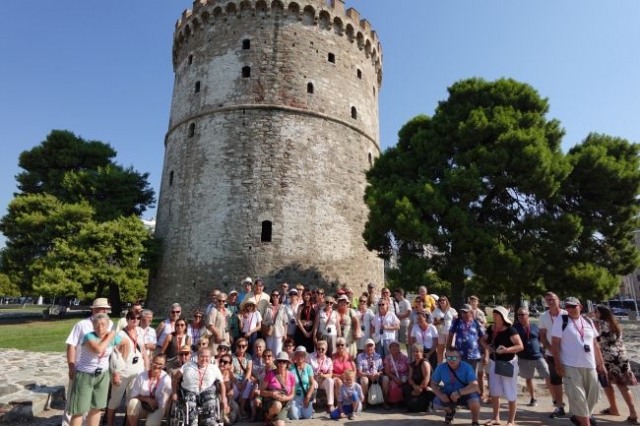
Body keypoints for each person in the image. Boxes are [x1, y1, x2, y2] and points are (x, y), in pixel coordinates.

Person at [551, 297, 605, 426]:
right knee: (577, 396)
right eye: (567, 307)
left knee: (593, 395)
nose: (570, 309)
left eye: (573, 306)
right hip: (570, 365)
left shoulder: (588, 321)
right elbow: (555, 344)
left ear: (580, 307)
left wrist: (601, 364)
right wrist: (557, 364)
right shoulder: (561, 320)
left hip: (589, 364)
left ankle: (579, 417)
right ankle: (585, 422)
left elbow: (595, 344)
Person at [62, 298, 113, 426]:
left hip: (101, 371)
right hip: (83, 369)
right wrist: (71, 366)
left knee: (96, 407)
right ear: (94, 310)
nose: (104, 311)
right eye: (101, 309)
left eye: (106, 309)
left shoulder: (110, 323)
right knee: (76, 407)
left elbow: (116, 343)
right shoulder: (82, 325)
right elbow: (71, 345)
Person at [68, 313, 122, 426]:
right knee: (79, 410)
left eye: (103, 324)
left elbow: (125, 343)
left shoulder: (112, 337)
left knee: (97, 408)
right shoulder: (89, 336)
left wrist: (120, 362)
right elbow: (98, 349)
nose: (100, 327)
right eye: (97, 324)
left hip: (103, 375)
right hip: (85, 374)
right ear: (93, 325)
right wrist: (111, 336)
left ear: (108, 324)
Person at [593, 305, 638, 422]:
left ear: (601, 313)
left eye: (595, 311)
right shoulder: (615, 324)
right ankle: (632, 412)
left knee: (606, 384)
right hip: (622, 356)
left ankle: (614, 408)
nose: (594, 313)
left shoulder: (597, 324)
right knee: (622, 385)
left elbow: (594, 340)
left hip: (606, 358)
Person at [481, 306, 524, 426]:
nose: (494, 316)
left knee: (511, 393)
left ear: (502, 317)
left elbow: (520, 346)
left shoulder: (510, 330)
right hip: (494, 362)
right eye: (493, 314)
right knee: (495, 392)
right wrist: (486, 347)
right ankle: (496, 418)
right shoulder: (491, 328)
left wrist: (506, 350)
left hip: (508, 363)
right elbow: (482, 340)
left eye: (496, 314)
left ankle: (511, 421)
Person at [106, 310, 149, 426]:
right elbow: (114, 354)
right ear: (127, 319)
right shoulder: (120, 334)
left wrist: (146, 368)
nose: (135, 320)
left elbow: (143, 350)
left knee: (132, 401)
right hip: (123, 371)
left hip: (137, 370)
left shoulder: (140, 331)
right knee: (115, 400)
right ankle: (109, 423)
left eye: (138, 318)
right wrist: (115, 373)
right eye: (133, 318)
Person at [172, 347, 229, 425]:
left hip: (206, 393)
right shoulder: (187, 365)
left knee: (211, 400)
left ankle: (209, 420)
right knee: (191, 406)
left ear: (210, 358)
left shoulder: (214, 368)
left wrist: (224, 398)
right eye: (202, 356)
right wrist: (174, 393)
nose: (204, 359)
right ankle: (192, 422)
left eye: (207, 356)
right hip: (189, 392)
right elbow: (175, 379)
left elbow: (222, 384)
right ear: (197, 357)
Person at [430, 346, 481, 426]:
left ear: (459, 357)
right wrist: (440, 395)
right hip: (448, 393)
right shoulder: (441, 368)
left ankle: (475, 421)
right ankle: (450, 411)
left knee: (475, 401)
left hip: (464, 393)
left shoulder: (467, 367)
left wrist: (459, 393)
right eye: (448, 357)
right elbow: (433, 384)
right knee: (436, 403)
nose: (451, 360)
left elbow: (475, 386)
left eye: (454, 358)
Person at [513, 306, 550, 407]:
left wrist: (545, 352)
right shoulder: (515, 328)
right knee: (528, 378)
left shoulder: (534, 326)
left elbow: (541, 339)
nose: (520, 316)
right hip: (524, 357)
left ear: (528, 315)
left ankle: (555, 399)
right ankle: (533, 398)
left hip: (538, 356)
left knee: (548, 375)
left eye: (522, 314)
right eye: (518, 315)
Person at [539, 291, 568, 418]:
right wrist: (551, 349)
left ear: (558, 300)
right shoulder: (543, 316)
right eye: (548, 300)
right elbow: (542, 336)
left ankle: (578, 409)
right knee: (556, 381)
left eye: (552, 299)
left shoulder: (566, 314)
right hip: (551, 354)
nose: (550, 302)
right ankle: (559, 406)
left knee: (573, 380)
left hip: (568, 353)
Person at [125, 354, 172, 426]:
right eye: (155, 362)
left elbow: (167, 400)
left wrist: (166, 413)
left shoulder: (166, 379)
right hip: (143, 406)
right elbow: (134, 395)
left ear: (164, 366)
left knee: (151, 424)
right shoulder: (142, 375)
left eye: (160, 364)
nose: (157, 366)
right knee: (132, 403)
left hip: (157, 407)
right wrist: (147, 399)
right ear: (151, 362)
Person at [446, 304, 485, 381]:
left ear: (471, 312)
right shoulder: (457, 321)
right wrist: (448, 350)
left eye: (466, 312)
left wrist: (485, 353)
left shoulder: (477, 322)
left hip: (474, 355)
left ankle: (472, 389)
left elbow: (483, 338)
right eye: (462, 312)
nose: (463, 314)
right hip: (460, 354)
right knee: (460, 376)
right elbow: (450, 336)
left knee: (472, 377)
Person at [260, 352, 296, 426]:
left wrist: (285, 398)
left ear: (287, 364)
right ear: (277, 363)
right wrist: (272, 394)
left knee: (280, 425)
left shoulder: (292, 376)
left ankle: (272, 420)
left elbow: (292, 394)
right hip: (272, 402)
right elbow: (261, 392)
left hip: (284, 403)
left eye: (284, 362)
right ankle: (268, 417)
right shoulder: (270, 374)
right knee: (277, 405)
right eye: (280, 361)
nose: (281, 364)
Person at [355, 338, 388, 409]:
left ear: (374, 347)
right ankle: (364, 402)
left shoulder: (378, 356)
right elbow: (359, 372)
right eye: (368, 346)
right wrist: (368, 375)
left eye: (371, 346)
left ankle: (384, 401)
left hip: (376, 375)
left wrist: (378, 374)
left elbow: (381, 370)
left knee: (386, 379)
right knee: (364, 380)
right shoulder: (360, 356)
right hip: (365, 375)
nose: (369, 348)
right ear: (364, 347)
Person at [403, 344, 434, 412]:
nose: (415, 353)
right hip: (416, 386)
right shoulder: (412, 364)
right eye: (414, 352)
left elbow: (426, 378)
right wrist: (414, 386)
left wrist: (419, 388)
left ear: (421, 352)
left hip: (424, 388)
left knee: (416, 404)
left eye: (417, 351)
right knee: (406, 387)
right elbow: (410, 378)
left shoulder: (424, 363)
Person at [289, 346, 316, 419]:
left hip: (305, 395)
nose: (300, 356)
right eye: (298, 354)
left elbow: (312, 383)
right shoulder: (291, 368)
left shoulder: (308, 367)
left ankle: (304, 409)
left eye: (302, 355)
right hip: (294, 396)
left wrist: (308, 397)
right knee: (295, 417)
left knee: (308, 416)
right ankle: (295, 409)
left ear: (305, 356)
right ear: (295, 356)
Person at [263, 289, 292, 355]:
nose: (275, 297)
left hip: (279, 332)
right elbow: (264, 320)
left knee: (277, 352)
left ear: (279, 296)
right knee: (269, 351)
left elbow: (285, 321)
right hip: (269, 331)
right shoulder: (268, 307)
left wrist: (285, 334)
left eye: (277, 295)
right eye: (273, 295)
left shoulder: (283, 307)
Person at [309, 339, 336, 412]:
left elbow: (330, 374)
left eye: (322, 349)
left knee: (330, 381)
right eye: (318, 349)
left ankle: (330, 404)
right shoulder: (310, 357)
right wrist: (312, 376)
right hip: (313, 379)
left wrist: (323, 375)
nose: (320, 350)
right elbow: (306, 369)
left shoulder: (328, 360)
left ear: (326, 350)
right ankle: (311, 405)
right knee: (313, 382)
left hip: (323, 380)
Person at [383, 340, 410, 407]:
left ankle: (405, 401)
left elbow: (409, 369)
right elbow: (387, 371)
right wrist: (395, 379)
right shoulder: (387, 358)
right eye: (393, 346)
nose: (395, 347)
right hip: (393, 377)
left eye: (396, 346)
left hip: (405, 376)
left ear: (399, 348)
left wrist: (406, 378)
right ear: (389, 349)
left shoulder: (404, 357)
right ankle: (395, 402)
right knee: (394, 384)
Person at [231, 337, 253, 418]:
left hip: (244, 379)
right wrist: (237, 382)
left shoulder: (248, 357)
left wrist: (245, 381)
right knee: (234, 389)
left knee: (249, 384)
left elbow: (249, 370)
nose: (241, 348)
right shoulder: (232, 357)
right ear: (236, 346)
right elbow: (231, 372)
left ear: (246, 347)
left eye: (243, 346)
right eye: (239, 346)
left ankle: (241, 408)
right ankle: (234, 409)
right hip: (235, 379)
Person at [432, 296, 458, 364]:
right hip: (440, 333)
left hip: (450, 333)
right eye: (440, 300)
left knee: (449, 351)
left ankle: (450, 364)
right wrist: (438, 322)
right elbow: (432, 322)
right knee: (440, 350)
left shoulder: (451, 310)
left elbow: (456, 320)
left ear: (446, 301)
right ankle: (439, 366)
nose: (442, 301)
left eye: (443, 300)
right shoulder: (436, 311)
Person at [332, 336, 356, 402]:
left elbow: (354, 371)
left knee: (349, 382)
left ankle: (350, 402)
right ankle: (340, 403)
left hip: (349, 377)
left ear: (345, 345)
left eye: (342, 345)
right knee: (338, 382)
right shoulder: (333, 356)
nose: (340, 347)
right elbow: (331, 372)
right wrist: (340, 376)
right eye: (338, 345)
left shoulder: (349, 356)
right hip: (337, 377)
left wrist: (349, 377)